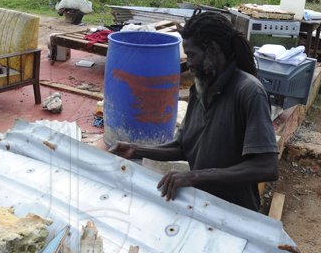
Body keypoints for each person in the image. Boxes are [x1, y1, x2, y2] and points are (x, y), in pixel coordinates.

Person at [109, 11, 279, 211]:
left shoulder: (249, 92)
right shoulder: (200, 89)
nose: (188, 63)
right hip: (200, 205)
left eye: (191, 55)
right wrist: (136, 149)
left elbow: (267, 167)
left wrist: (195, 176)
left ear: (213, 50)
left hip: (235, 212)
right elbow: (184, 147)